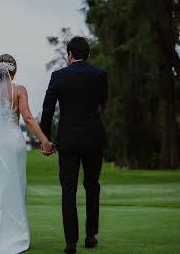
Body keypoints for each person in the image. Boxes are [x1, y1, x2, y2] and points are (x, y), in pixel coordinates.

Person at [0, 54, 54, 254]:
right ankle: (14, 235)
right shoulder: (19, 90)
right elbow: (28, 118)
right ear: (14, 71)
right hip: (12, 142)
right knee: (13, 186)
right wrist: (45, 141)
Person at [40, 36, 108, 254]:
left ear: (69, 54)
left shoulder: (58, 76)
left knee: (68, 190)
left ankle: (70, 242)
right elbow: (103, 102)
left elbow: (48, 108)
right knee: (92, 185)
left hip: (68, 140)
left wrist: (45, 139)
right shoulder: (100, 75)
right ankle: (90, 235)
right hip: (93, 139)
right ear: (88, 55)